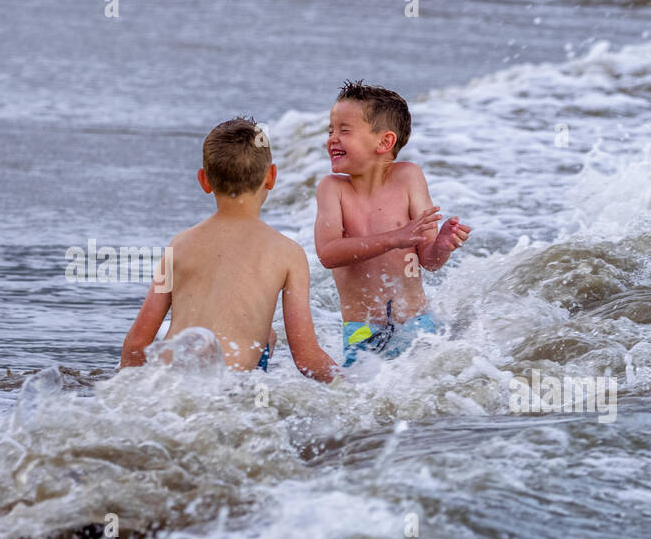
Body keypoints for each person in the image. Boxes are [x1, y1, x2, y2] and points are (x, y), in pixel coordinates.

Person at [119, 116, 339, 382]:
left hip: (168, 383)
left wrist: (127, 391)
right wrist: (353, 388)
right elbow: (306, 358)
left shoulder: (180, 244)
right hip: (226, 393)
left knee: (266, 334)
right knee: (266, 338)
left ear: (204, 180)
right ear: (271, 177)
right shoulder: (287, 253)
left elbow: (136, 343)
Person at [314, 81, 471, 366]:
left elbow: (429, 261)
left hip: (417, 324)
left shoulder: (409, 177)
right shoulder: (332, 189)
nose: (333, 138)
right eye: (330, 130)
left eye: (344, 130)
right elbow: (328, 254)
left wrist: (443, 246)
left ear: (384, 142)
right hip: (361, 330)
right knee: (367, 397)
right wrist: (393, 238)